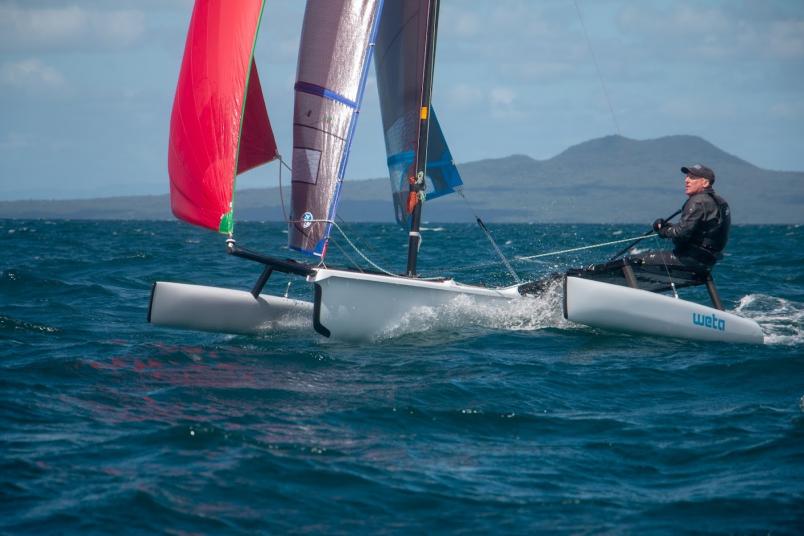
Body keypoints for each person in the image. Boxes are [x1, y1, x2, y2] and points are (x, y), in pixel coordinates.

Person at [632, 164, 731, 273]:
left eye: (692, 178)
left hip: (689, 259)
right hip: (708, 261)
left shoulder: (697, 201)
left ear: (705, 183)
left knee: (634, 261)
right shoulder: (720, 202)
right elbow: (694, 230)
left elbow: (680, 234)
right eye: (687, 177)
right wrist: (669, 227)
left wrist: (662, 230)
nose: (686, 180)